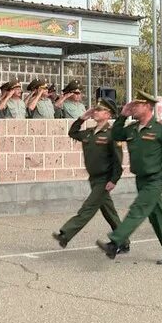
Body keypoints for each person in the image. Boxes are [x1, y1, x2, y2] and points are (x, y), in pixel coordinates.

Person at [96, 90, 162, 264]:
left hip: (156, 178)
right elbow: (115, 134)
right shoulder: (133, 129)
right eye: (133, 105)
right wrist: (122, 116)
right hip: (140, 178)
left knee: (138, 208)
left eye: (138, 105)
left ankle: (115, 242)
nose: (133, 107)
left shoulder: (161, 128)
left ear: (148, 107)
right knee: (157, 216)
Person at [53, 98, 126, 250]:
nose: (95, 112)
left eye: (99, 110)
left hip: (104, 179)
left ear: (107, 114)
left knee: (88, 208)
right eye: (95, 109)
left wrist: (114, 180)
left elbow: (118, 162)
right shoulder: (90, 133)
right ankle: (123, 242)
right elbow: (72, 133)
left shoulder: (112, 134)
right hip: (93, 178)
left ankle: (66, 234)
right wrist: (82, 118)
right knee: (109, 212)